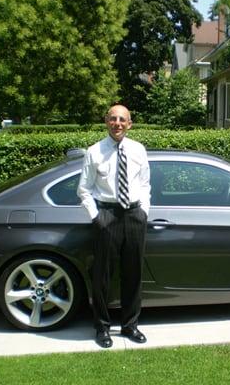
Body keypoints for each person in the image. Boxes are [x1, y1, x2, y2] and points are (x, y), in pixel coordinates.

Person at [77, 104, 150, 348]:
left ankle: (130, 326)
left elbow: (146, 184)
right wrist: (97, 218)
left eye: (122, 119)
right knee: (102, 277)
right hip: (107, 215)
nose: (117, 123)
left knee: (133, 274)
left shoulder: (139, 150)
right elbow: (84, 189)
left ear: (130, 124)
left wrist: (144, 212)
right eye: (113, 118)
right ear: (106, 121)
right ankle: (102, 328)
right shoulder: (94, 151)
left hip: (134, 216)